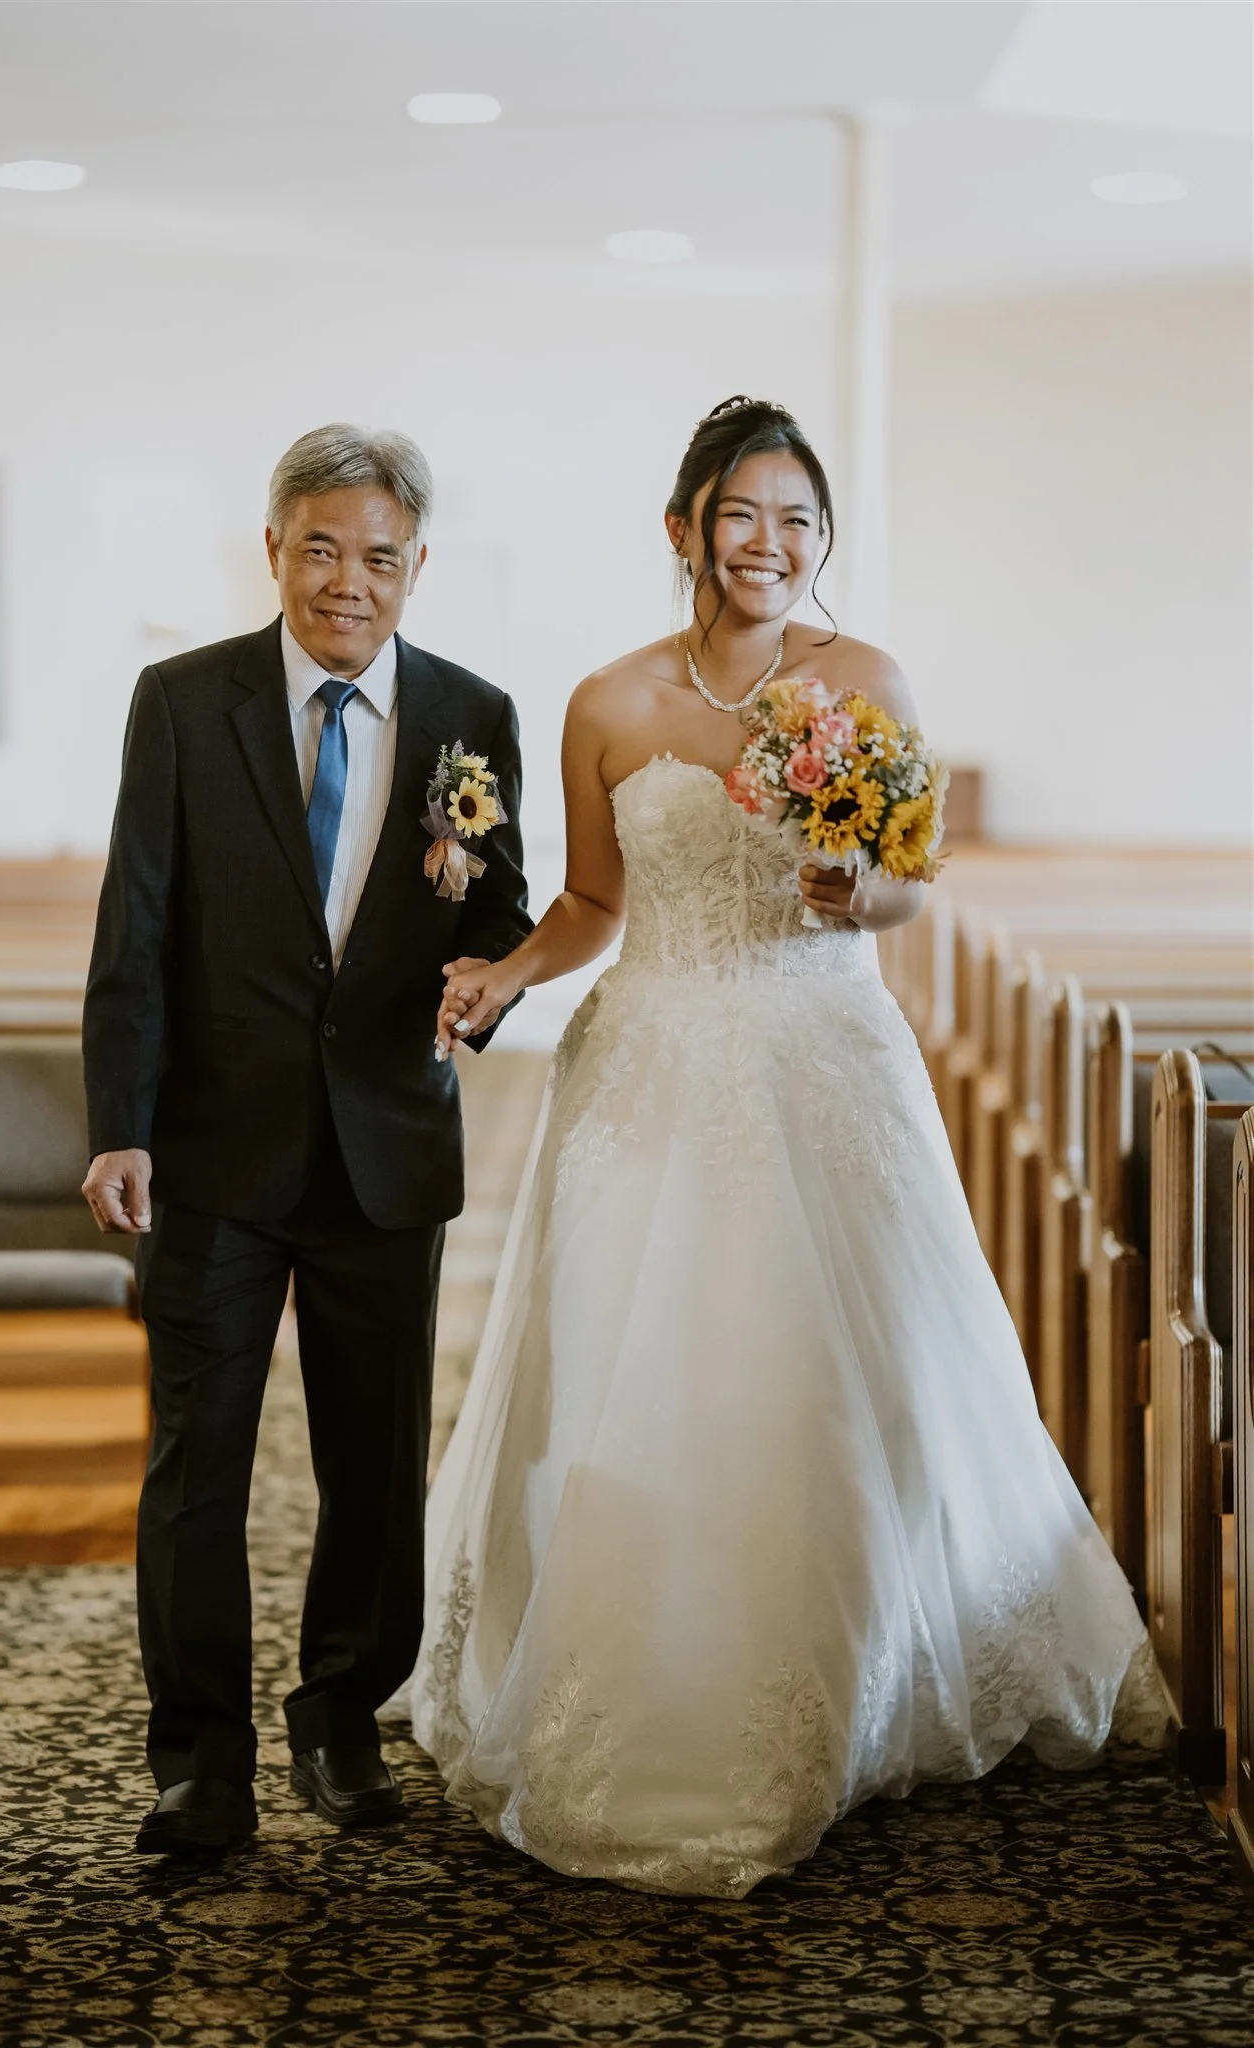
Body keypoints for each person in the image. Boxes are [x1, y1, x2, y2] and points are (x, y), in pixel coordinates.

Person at [403, 395, 1165, 1898]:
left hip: (824, 1052)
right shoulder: (608, 703)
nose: (773, 544)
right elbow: (595, 907)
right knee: (651, 1360)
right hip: (656, 1061)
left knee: (832, 1363)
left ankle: (859, 1666)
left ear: (822, 539)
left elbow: (902, 880)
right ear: (685, 526)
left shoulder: (863, 676)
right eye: (744, 514)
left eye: (800, 520)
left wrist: (857, 900)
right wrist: (504, 975)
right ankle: (642, 1662)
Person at [82, 422, 530, 1856]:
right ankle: (197, 1761)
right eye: (323, 549)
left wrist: (488, 976)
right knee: (196, 1461)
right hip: (211, 1154)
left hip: (386, 1154)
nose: (351, 581)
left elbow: (500, 912)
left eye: (381, 557)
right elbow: (135, 930)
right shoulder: (182, 701)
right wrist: (118, 1129)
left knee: (374, 1462)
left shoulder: (474, 714)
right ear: (274, 547)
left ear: (417, 568)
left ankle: (343, 1719)